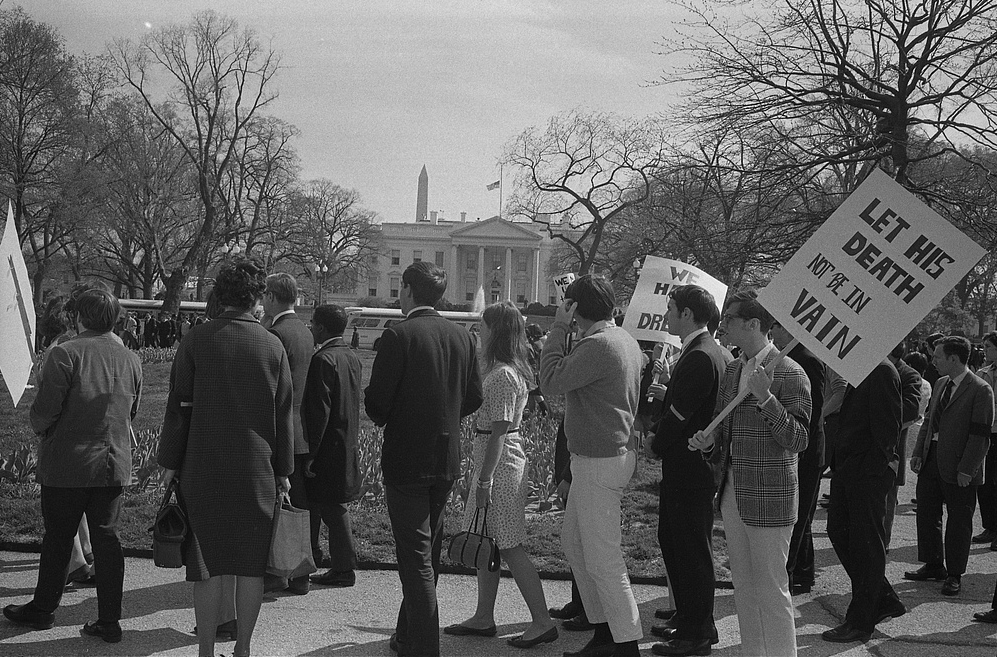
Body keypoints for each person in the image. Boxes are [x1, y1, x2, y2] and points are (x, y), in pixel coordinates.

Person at [158, 255, 295, 657]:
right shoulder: (273, 346)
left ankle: (204, 650)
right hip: (257, 470)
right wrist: (284, 471)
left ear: (221, 294)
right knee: (250, 566)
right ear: (256, 297)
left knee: (207, 565)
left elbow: (178, 406)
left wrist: (169, 461)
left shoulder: (196, 340)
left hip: (203, 464)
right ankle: (244, 650)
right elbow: (283, 415)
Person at [4, 289, 142, 644]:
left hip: (68, 461)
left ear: (79, 317)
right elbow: (132, 411)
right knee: (107, 539)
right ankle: (109, 619)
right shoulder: (130, 358)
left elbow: (46, 409)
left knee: (59, 538)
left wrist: (41, 427)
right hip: (113, 461)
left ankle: (43, 608)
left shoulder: (66, 353)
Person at [364, 261, 482, 657]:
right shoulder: (462, 336)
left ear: (410, 291)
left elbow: (377, 405)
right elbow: (473, 398)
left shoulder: (399, 335)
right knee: (425, 552)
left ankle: (424, 648)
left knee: (416, 562)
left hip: (407, 460)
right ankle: (407, 635)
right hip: (446, 456)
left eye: (401, 288)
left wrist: (399, 415)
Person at [689, 288, 810, 657]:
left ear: (754, 324)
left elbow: (800, 439)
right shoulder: (733, 369)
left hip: (770, 496)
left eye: (730, 320)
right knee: (742, 586)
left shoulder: (790, 373)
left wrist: (767, 399)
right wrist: (708, 442)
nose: (722, 326)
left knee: (772, 588)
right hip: (732, 494)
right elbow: (725, 434)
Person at [539, 274, 644, 657]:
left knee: (603, 558)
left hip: (600, 461)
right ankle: (606, 632)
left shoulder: (600, 345)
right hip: (600, 458)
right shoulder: (621, 340)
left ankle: (626, 642)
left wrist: (557, 327)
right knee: (576, 545)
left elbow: (549, 380)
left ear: (575, 308)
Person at [444, 301, 558, 649]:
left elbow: (499, 432)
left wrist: (484, 480)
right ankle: (483, 616)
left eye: (483, 326)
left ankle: (542, 621)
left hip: (501, 464)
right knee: (488, 540)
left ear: (497, 331)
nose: (479, 331)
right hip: (497, 460)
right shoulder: (502, 370)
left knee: (509, 544)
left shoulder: (504, 375)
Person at [646, 285, 731, 657]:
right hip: (690, 467)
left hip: (689, 466)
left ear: (687, 314)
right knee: (677, 542)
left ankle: (696, 633)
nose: (666, 314)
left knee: (689, 549)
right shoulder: (705, 351)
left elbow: (681, 415)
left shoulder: (700, 355)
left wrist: (655, 442)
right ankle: (690, 618)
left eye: (671, 308)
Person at [821, 360, 905, 643]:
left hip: (866, 474)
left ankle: (861, 621)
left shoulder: (881, 371)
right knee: (839, 532)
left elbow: (888, 429)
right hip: (848, 470)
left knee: (866, 544)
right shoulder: (862, 369)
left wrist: (872, 471)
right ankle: (882, 598)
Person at [906, 335, 994, 597]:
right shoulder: (942, 382)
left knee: (959, 520)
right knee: (927, 513)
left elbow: (980, 436)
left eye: (938, 357)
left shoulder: (980, 389)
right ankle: (933, 564)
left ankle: (954, 574)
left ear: (954, 359)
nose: (933, 361)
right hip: (932, 459)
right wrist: (919, 451)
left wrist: (968, 468)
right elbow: (930, 420)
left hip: (960, 467)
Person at [262, 272, 317, 596]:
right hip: (301, 428)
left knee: (277, 507)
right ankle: (299, 573)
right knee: (297, 506)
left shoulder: (277, 333)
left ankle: (278, 570)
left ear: (271, 296)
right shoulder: (304, 331)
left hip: (280, 428)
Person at [303, 304, 363, 588]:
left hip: (327, 445)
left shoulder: (323, 360)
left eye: (314, 324)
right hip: (346, 439)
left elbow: (318, 412)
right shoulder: (350, 356)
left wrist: (310, 453)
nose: (311, 328)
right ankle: (336, 562)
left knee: (331, 507)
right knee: (330, 505)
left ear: (323, 328)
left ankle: (343, 567)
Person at [770, 321, 825, 596]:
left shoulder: (806, 361)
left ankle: (790, 576)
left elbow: (810, 416)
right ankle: (804, 571)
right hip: (800, 451)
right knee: (801, 515)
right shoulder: (793, 357)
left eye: (776, 328)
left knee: (798, 516)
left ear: (789, 330)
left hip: (805, 451)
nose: (772, 334)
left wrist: (798, 448)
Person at [884, 343, 925, 548]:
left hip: (890, 448)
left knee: (886, 499)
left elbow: (910, 410)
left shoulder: (909, 375)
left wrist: (876, 414)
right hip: (864, 446)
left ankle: (882, 544)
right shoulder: (870, 369)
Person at [972, 332, 997, 547]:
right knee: (986, 483)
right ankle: (990, 526)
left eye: (988, 346)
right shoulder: (982, 372)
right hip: (987, 433)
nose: (984, 350)